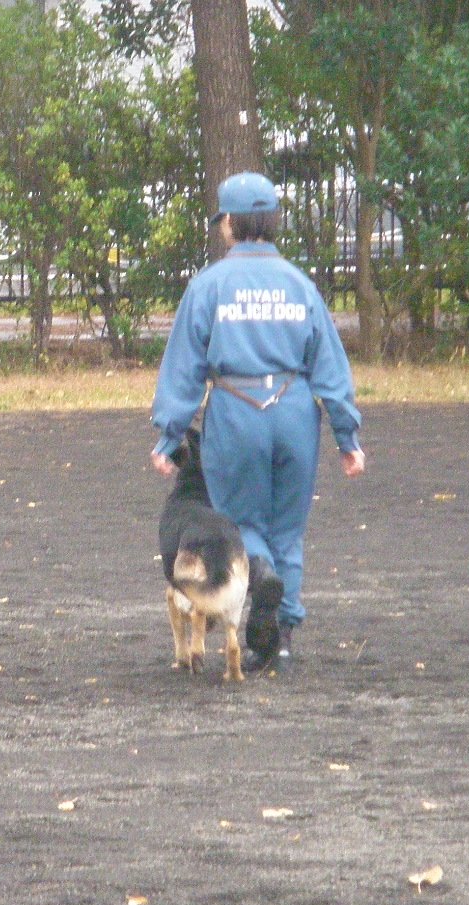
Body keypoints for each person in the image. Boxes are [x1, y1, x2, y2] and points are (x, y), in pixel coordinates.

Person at [150, 171, 365, 676]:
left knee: (243, 525)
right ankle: (282, 639)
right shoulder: (300, 285)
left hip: (236, 407)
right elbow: (330, 365)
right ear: (272, 222)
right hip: (293, 408)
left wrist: (168, 435)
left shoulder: (209, 286)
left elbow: (184, 368)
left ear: (228, 223)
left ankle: (261, 575)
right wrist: (347, 435)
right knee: (288, 529)